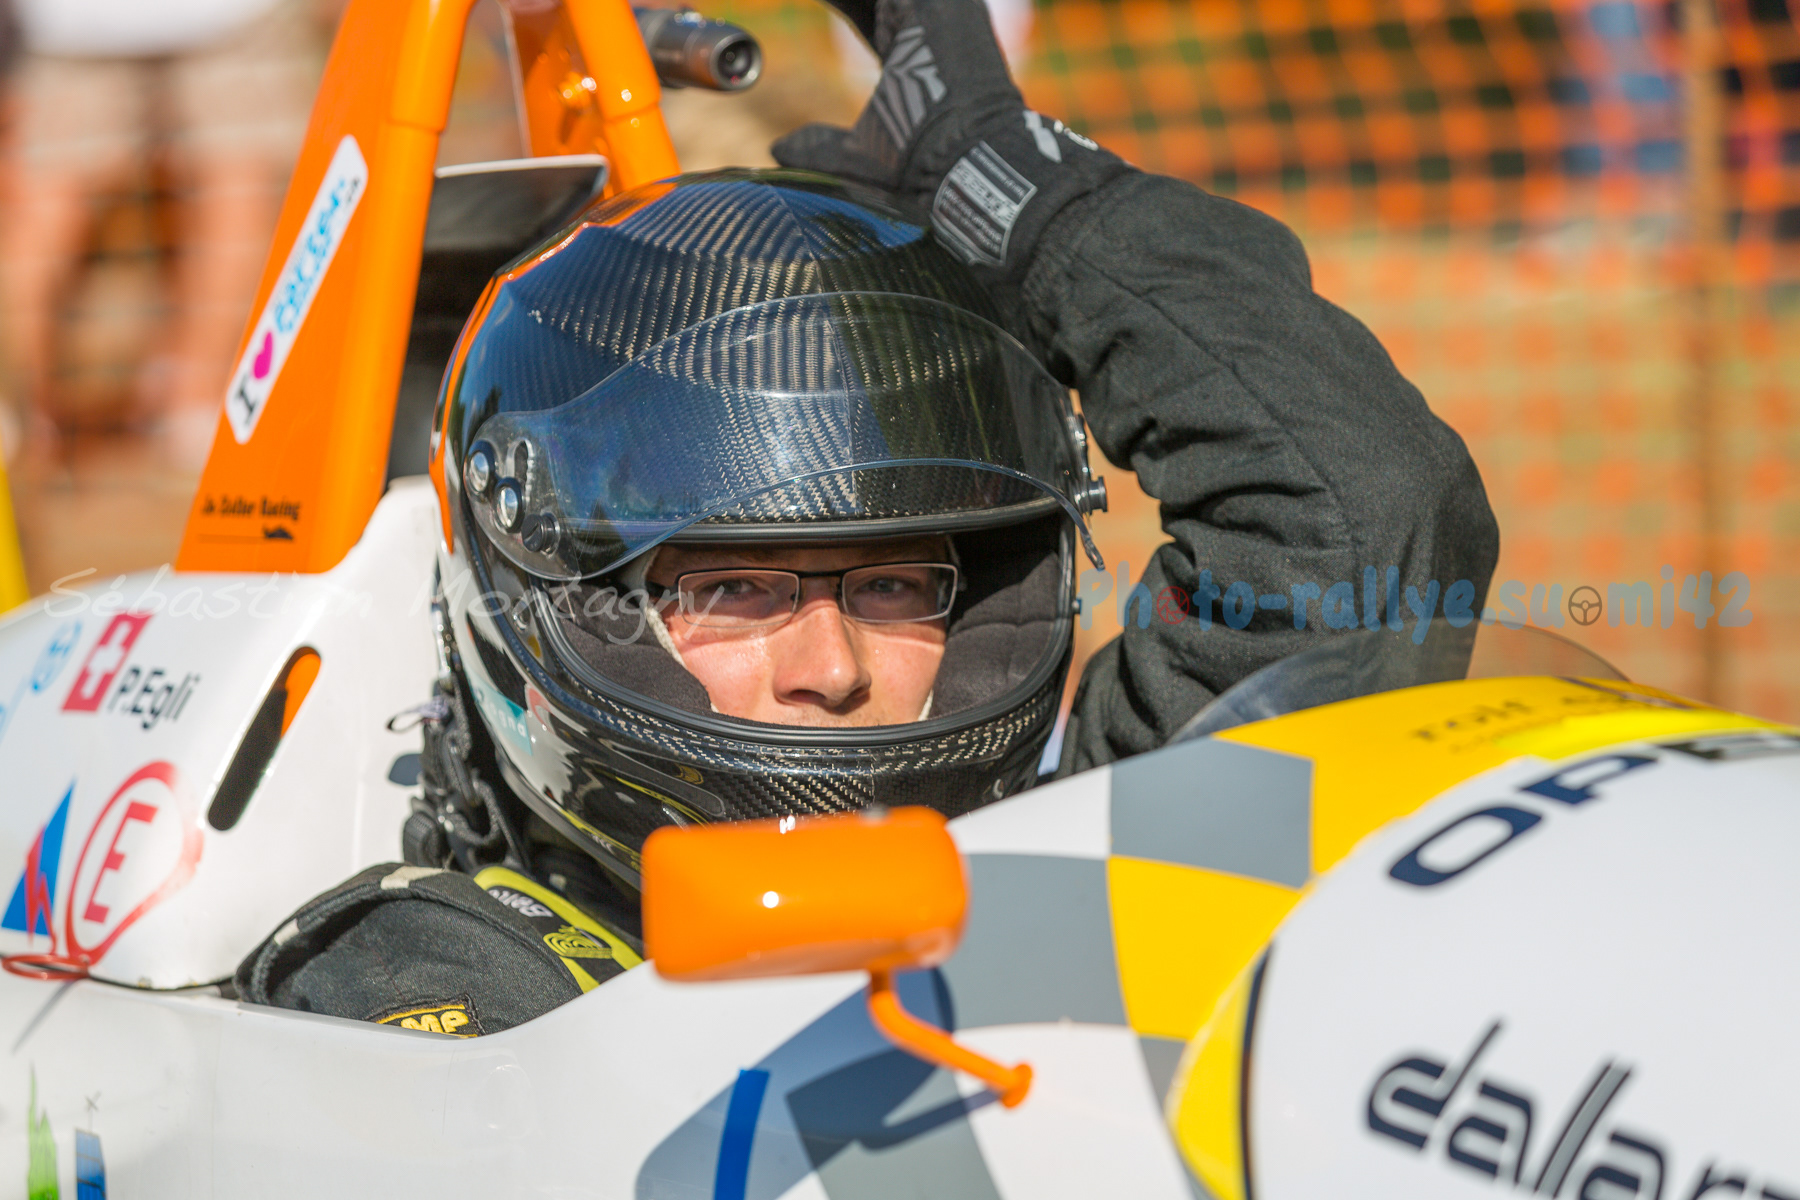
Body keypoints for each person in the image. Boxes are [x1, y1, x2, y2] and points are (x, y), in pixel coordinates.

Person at [236, 0, 1497, 1033]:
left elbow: (1362, 514)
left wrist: (1030, 208)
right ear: (568, 602)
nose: (832, 670)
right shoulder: (433, 998)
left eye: (896, 586)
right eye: (737, 590)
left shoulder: (1064, 865)